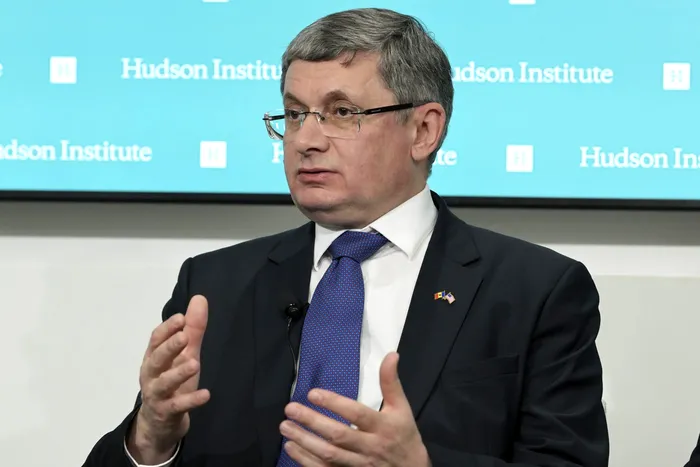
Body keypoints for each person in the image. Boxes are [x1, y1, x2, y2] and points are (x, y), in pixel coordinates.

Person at [83, 7, 609, 467]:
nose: (306, 140)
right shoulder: (215, 283)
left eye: (342, 112)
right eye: (294, 114)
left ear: (424, 130)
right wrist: (150, 437)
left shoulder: (534, 290)